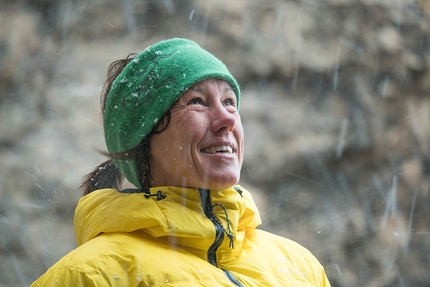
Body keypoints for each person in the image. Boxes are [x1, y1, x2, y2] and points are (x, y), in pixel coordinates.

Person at [31, 38, 331, 286]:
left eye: (229, 102)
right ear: (146, 137)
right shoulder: (88, 276)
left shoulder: (300, 267)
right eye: (197, 102)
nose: (227, 118)